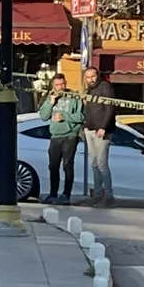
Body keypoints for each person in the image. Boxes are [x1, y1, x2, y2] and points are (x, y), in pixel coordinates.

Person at [39, 73, 85, 205]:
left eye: (62, 84)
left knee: (67, 165)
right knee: (53, 166)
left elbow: (81, 117)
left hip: (70, 135)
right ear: (53, 85)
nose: (60, 87)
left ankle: (66, 195)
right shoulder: (49, 97)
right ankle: (53, 194)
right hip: (55, 136)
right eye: (57, 85)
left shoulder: (74, 97)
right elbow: (43, 116)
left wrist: (64, 116)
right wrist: (51, 102)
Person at [81, 67, 116, 207]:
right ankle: (96, 194)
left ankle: (109, 196)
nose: (90, 79)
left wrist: (103, 127)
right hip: (89, 129)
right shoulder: (88, 90)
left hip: (102, 131)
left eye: (93, 76)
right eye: (88, 77)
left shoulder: (105, 87)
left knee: (102, 164)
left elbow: (110, 108)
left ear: (98, 75)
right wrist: (84, 126)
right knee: (94, 164)